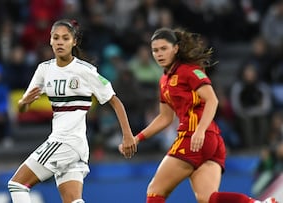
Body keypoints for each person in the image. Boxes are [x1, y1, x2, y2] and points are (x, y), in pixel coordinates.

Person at [119, 27, 277, 203]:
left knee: (155, 191)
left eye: (164, 49)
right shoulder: (164, 80)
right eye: (155, 50)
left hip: (194, 136)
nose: (159, 54)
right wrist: (138, 138)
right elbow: (165, 118)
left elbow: (212, 100)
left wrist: (200, 130)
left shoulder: (188, 71)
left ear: (176, 48)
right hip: (210, 140)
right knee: (208, 198)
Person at [7, 19, 136, 203]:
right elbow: (22, 107)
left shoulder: (85, 71)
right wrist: (23, 102)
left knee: (17, 185)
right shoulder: (44, 70)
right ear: (50, 41)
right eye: (56, 38)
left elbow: (115, 101)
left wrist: (127, 135)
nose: (60, 42)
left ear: (74, 41)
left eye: (65, 38)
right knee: (73, 201)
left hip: (65, 141)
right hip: (74, 146)